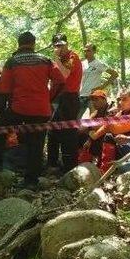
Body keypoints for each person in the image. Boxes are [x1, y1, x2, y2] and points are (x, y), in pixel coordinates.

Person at [0, 31, 65, 191]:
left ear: (19, 44)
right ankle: (31, 180)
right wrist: (49, 98)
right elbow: (60, 81)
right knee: (36, 144)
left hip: (19, 109)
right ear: (34, 44)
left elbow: (3, 89)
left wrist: (0, 110)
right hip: (41, 110)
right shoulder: (46, 60)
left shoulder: (12, 62)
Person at [46, 33, 83, 174]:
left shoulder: (72, 57)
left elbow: (66, 74)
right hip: (59, 99)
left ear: (67, 44)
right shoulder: (59, 60)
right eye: (56, 45)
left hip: (70, 98)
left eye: (61, 45)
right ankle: (52, 163)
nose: (59, 48)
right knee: (53, 131)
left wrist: (56, 58)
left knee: (68, 133)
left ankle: (69, 166)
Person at [78, 44, 118, 119]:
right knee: (76, 119)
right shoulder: (82, 63)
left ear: (94, 51)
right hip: (81, 95)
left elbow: (114, 74)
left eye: (89, 51)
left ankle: (93, 131)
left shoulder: (98, 64)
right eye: (85, 51)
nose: (86, 53)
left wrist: (102, 86)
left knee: (93, 119)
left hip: (93, 96)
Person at [78, 90, 111, 161]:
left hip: (108, 139)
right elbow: (86, 125)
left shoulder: (110, 110)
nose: (93, 102)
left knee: (103, 136)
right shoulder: (96, 112)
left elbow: (105, 127)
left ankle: (101, 162)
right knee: (79, 133)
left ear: (104, 100)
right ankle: (80, 159)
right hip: (95, 137)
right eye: (92, 100)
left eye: (96, 99)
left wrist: (90, 138)